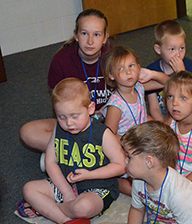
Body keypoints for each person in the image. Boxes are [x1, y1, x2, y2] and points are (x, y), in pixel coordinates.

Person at [19, 9, 166, 167]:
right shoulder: (61, 61)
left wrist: (152, 74)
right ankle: (83, 155)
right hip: (77, 121)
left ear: (105, 37)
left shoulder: (113, 58)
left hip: (113, 121)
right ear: (76, 35)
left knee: (154, 124)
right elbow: (59, 104)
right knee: (28, 132)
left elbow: (154, 83)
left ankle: (66, 154)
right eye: (84, 34)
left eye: (96, 35)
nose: (90, 41)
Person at [72, 121, 192, 224]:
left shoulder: (180, 193)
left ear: (149, 162)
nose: (125, 161)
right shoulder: (139, 179)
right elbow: (137, 209)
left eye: (129, 157)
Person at [17, 78, 126, 224]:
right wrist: (66, 192)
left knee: (82, 207)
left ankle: (46, 210)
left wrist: (90, 174)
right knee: (29, 189)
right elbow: (51, 162)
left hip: (98, 188)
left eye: (75, 116)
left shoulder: (103, 134)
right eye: (61, 117)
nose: (69, 123)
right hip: (65, 184)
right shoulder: (59, 129)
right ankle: (65, 221)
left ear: (90, 108)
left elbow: (120, 165)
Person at [102, 45, 154, 196]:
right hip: (124, 146)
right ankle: (115, 182)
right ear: (111, 75)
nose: (128, 72)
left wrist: (152, 73)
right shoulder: (116, 105)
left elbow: (166, 82)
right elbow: (108, 136)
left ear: (138, 68)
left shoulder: (139, 87)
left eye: (131, 66)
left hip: (142, 140)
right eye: (121, 69)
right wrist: (129, 143)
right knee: (133, 181)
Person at [146, 20, 192, 121]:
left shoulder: (189, 66)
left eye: (182, 48)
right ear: (158, 50)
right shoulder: (152, 71)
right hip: (163, 116)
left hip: (186, 113)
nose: (178, 54)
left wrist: (182, 73)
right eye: (172, 49)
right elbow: (154, 108)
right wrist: (164, 127)